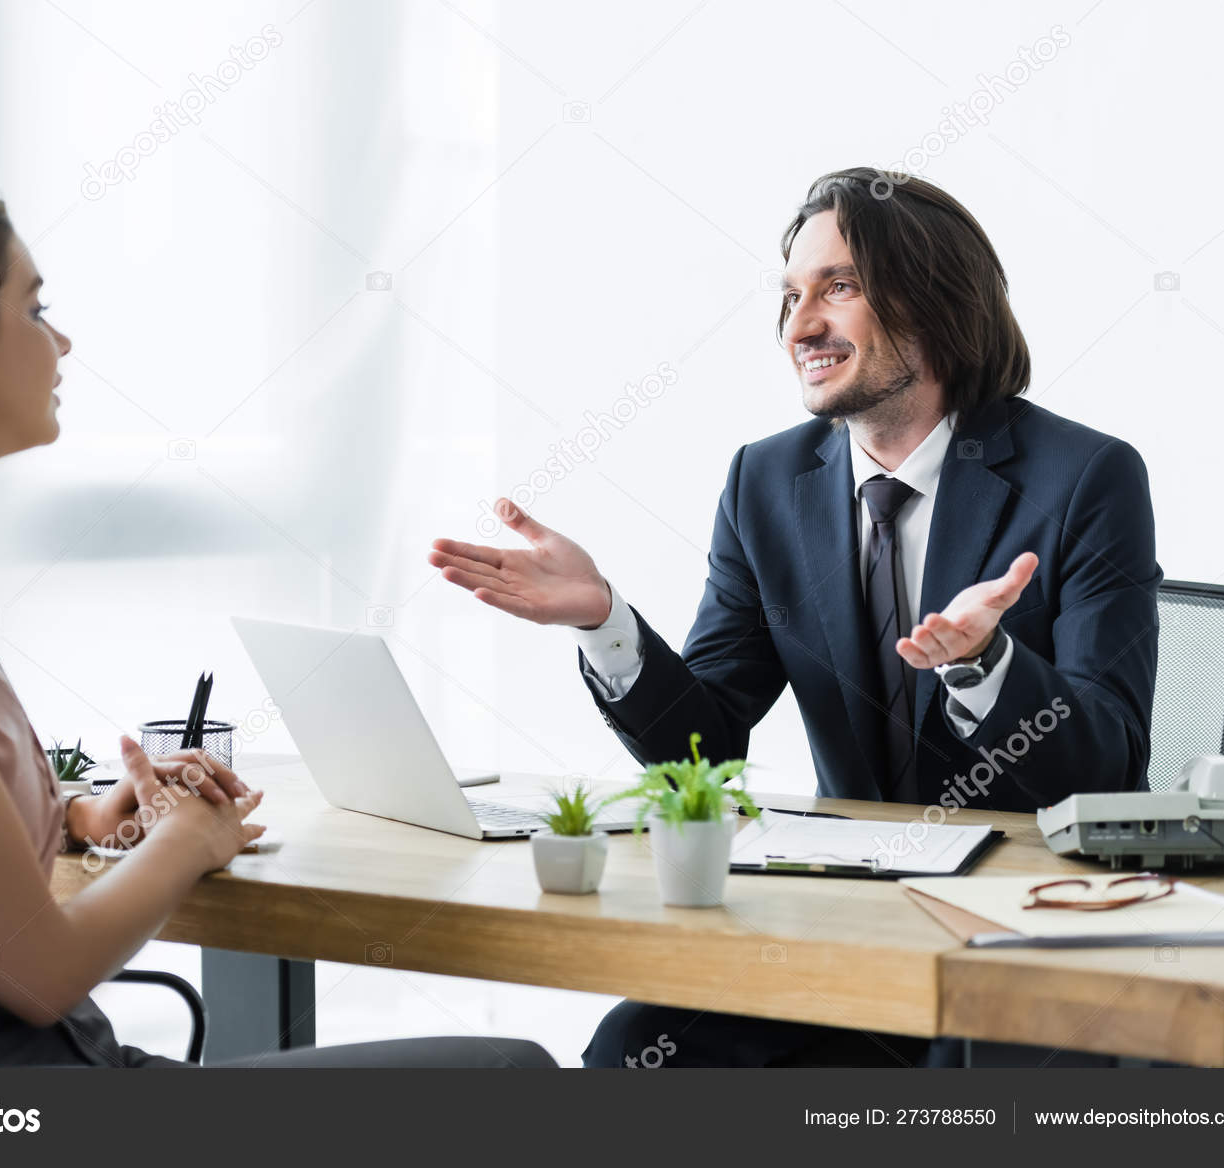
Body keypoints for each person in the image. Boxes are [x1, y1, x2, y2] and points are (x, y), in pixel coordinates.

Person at [0, 174, 552, 1071]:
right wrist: (188, 839)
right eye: (36, 309)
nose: (62, 342)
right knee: (512, 1074)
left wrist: (82, 817)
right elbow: (35, 972)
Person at [429, 167, 1160, 1067]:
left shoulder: (1085, 478)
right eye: (789, 296)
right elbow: (705, 746)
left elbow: (1113, 765)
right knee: (636, 1048)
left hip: (1015, 943)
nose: (801, 326)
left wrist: (986, 665)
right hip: (841, 929)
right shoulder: (766, 482)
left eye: (838, 287)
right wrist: (605, 622)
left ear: (936, 303)